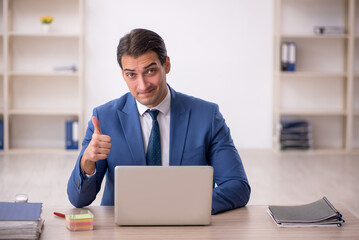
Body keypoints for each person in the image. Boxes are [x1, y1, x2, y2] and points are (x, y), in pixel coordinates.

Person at [67, 28, 250, 214]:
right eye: (131, 75)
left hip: (186, 225)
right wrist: (87, 161)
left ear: (167, 65)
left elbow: (238, 186)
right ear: (123, 74)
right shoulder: (104, 118)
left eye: (150, 71)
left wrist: (181, 207)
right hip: (123, 229)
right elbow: (79, 200)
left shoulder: (207, 116)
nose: (143, 85)